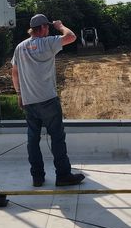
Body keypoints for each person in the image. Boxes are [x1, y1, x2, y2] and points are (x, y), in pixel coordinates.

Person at [11, 14, 85, 188]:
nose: (49, 30)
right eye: (48, 27)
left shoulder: (20, 47)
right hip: (48, 100)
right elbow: (71, 37)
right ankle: (63, 176)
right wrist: (60, 26)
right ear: (43, 27)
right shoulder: (48, 43)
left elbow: (14, 73)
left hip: (29, 102)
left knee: (32, 140)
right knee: (57, 138)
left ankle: (37, 177)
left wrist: (20, 93)